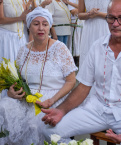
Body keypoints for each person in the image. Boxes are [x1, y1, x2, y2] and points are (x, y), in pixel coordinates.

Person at [39, 0, 121, 144]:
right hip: (97, 109)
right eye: (111, 18)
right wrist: (61, 110)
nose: (115, 24)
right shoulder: (98, 46)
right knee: (47, 130)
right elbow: (83, 87)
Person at [0, 7, 77, 145]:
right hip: (28, 98)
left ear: (49, 26)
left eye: (45, 24)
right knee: (3, 106)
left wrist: (52, 100)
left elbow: (71, 81)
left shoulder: (60, 48)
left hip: (54, 98)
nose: (41, 28)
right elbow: (19, 80)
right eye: (36, 24)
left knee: (36, 122)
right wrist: (11, 92)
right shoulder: (23, 50)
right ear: (29, 26)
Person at [78, 0, 110, 67]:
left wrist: (99, 14)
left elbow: (115, 14)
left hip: (105, 28)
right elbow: (80, 15)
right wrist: (89, 14)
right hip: (89, 30)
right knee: (89, 55)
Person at [63, 0, 84, 67]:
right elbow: (73, 12)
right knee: (74, 42)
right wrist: (81, 10)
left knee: (81, 42)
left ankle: (80, 58)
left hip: (82, 23)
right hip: (74, 23)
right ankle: (73, 60)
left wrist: (80, 9)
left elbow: (85, 9)